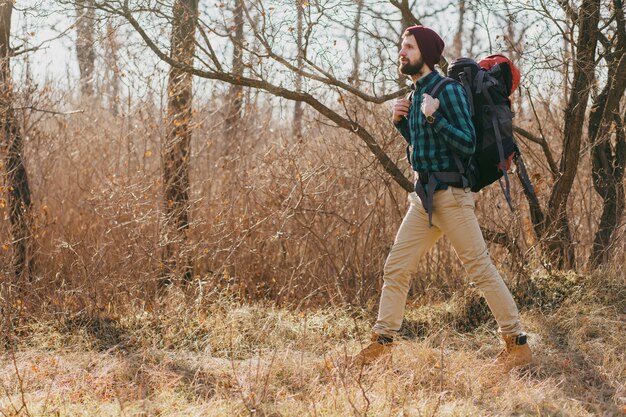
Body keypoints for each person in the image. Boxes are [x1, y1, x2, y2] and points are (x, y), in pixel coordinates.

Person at [354, 25, 532, 372]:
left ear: (427, 54)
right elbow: (424, 152)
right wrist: (402, 125)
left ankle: (517, 343)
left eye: (408, 47)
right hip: (422, 199)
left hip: (452, 197)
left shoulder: (446, 91)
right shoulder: (416, 93)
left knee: (479, 269)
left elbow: (465, 144)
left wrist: (434, 115)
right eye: (401, 47)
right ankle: (382, 343)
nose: (401, 52)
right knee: (396, 268)